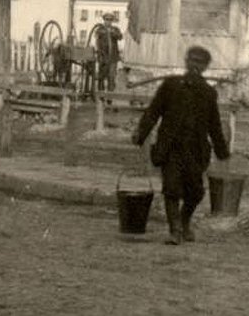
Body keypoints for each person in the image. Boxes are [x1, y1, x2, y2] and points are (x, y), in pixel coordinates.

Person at [132, 46, 230, 245]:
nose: (195, 65)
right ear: (186, 62)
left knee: (196, 192)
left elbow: (214, 124)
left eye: (200, 62)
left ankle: (184, 221)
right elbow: (153, 112)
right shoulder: (170, 85)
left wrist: (222, 151)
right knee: (171, 189)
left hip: (196, 150)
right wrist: (140, 134)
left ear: (206, 67)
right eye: (192, 60)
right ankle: (175, 230)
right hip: (171, 147)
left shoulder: (208, 92)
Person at [95, 13, 123, 91]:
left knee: (111, 77)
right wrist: (99, 55)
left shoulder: (115, 29)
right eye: (107, 20)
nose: (108, 21)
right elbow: (97, 40)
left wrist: (113, 33)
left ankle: (110, 95)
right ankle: (101, 93)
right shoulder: (100, 29)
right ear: (104, 20)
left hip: (113, 58)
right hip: (103, 57)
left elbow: (120, 37)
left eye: (110, 20)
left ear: (112, 21)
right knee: (101, 76)